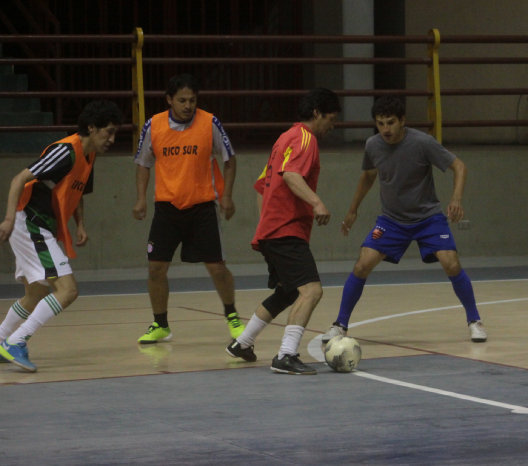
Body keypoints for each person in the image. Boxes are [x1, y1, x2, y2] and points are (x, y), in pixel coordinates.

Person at [322, 95, 487, 344]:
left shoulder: (422, 142)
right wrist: (353, 209)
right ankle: (340, 324)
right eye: (380, 123)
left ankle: (474, 320)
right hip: (391, 220)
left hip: (428, 218)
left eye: (390, 122)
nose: (385, 129)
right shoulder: (373, 145)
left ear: (402, 121)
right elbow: (368, 175)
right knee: (362, 264)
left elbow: (459, 166)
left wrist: (456, 199)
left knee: (451, 263)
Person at [0, 100, 123, 372]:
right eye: (109, 132)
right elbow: (19, 179)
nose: (112, 139)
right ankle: (16, 341)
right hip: (29, 222)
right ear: (92, 128)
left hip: (42, 226)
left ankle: (1, 338)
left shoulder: (89, 157)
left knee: (36, 292)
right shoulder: (66, 151)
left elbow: (77, 194)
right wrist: (8, 219)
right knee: (68, 290)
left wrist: (80, 224)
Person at [225, 88, 341, 375]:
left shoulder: (284, 139)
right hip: (286, 231)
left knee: (288, 292)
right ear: (317, 113)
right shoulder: (306, 139)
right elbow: (291, 176)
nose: (332, 125)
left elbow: (261, 184)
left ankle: (242, 342)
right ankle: (286, 355)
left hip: (272, 231)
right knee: (312, 291)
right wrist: (317, 202)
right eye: (331, 118)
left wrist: (265, 224)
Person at [133, 73, 245, 344]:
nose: (187, 105)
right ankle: (160, 324)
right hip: (167, 209)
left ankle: (232, 316)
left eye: (192, 100)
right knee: (156, 269)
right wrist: (141, 198)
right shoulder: (154, 125)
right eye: (182, 100)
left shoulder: (209, 123)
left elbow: (229, 160)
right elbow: (143, 164)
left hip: (202, 207)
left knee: (217, 268)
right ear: (169, 100)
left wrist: (227, 195)